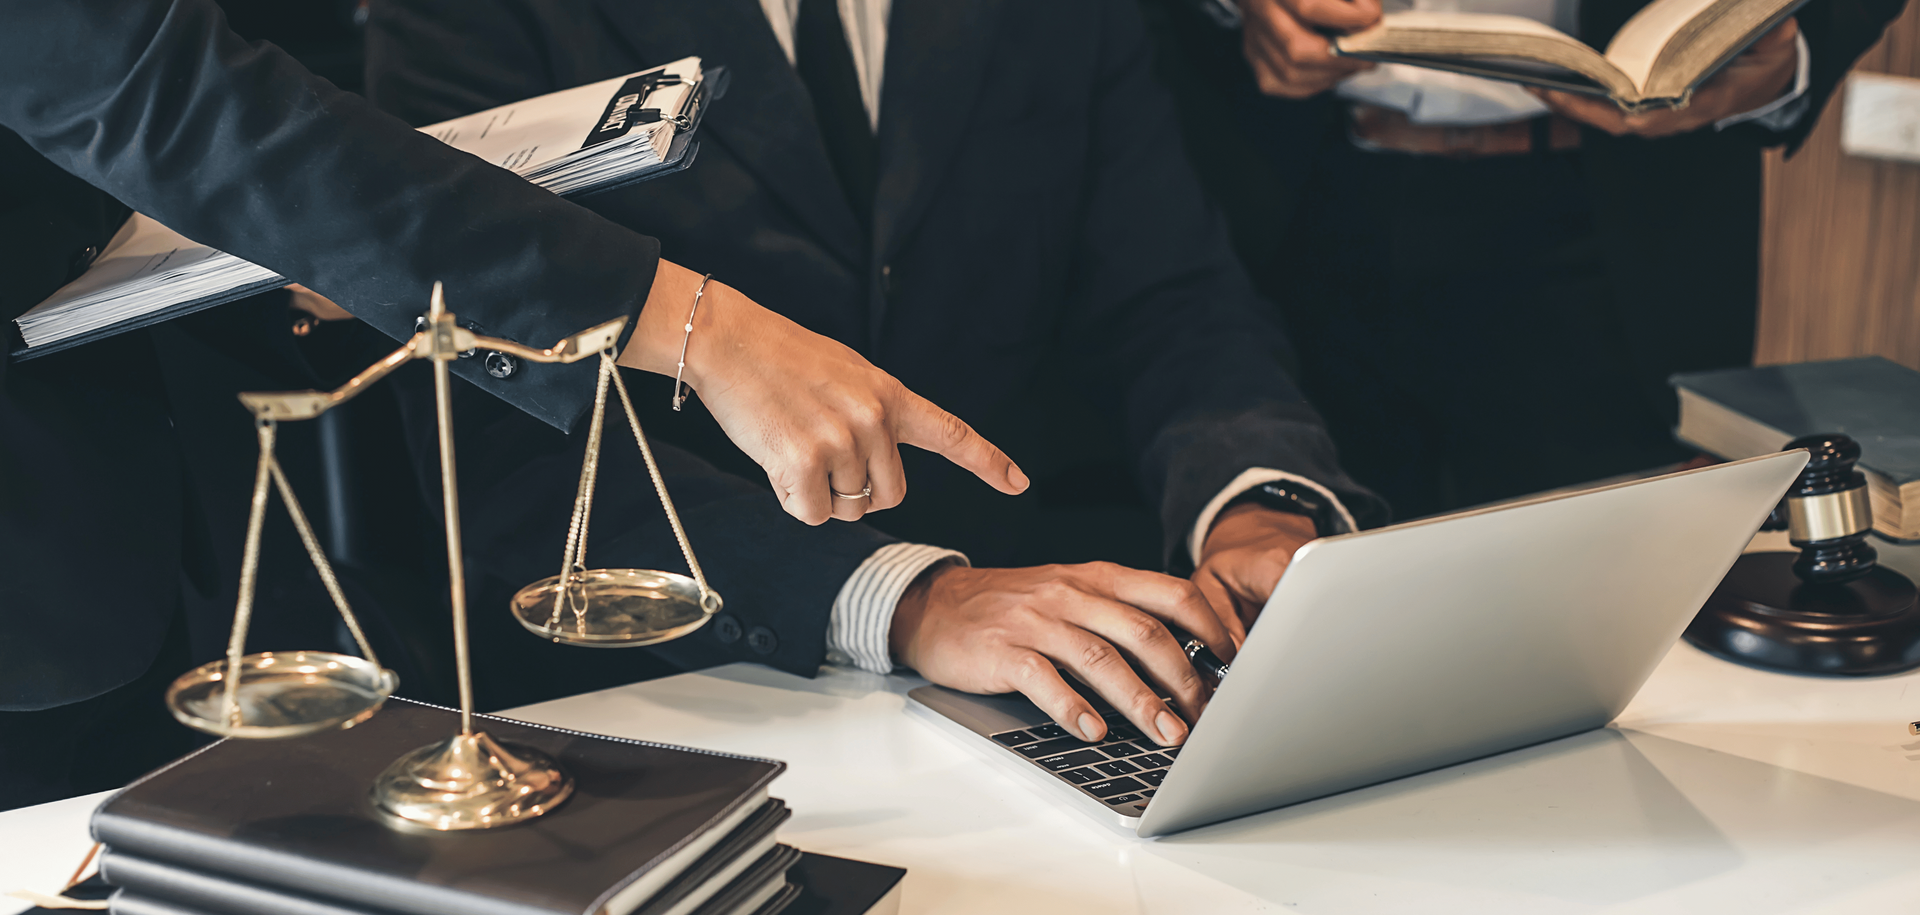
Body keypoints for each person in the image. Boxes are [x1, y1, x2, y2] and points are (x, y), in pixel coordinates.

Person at [0, 0, 1026, 808]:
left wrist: (335, 226)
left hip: (144, 514)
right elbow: (153, 91)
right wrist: (695, 327)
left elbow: (233, 77)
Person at [365, 0, 1391, 746]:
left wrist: (1255, 501)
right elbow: (498, 441)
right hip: (663, 709)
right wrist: (904, 600)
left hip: (1030, 693)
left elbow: (1169, 290)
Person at [1140, 0, 1908, 521]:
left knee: (1602, 630)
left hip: (1611, 217)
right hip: (1287, 193)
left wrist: (1799, 48)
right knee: (1301, 606)